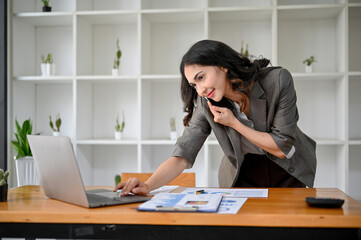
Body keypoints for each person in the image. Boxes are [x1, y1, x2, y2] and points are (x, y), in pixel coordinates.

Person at [114, 40, 317, 196]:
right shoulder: (206, 102)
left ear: (222, 66)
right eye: (194, 84)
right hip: (244, 174)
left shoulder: (277, 81)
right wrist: (148, 185)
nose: (200, 90)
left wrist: (234, 123)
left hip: (288, 171)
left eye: (201, 77)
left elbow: (281, 147)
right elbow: (183, 154)